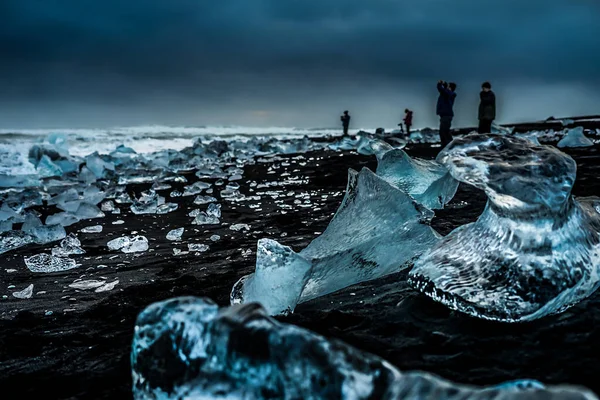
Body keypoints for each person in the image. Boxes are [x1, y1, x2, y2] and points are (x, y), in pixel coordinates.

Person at [436, 80, 457, 148]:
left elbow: (441, 89)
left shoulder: (449, 94)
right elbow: (444, 90)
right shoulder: (448, 94)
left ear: (450, 88)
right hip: (445, 115)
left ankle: (447, 146)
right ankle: (448, 145)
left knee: (443, 131)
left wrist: (439, 84)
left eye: (448, 86)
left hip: (446, 115)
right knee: (445, 131)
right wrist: (445, 84)